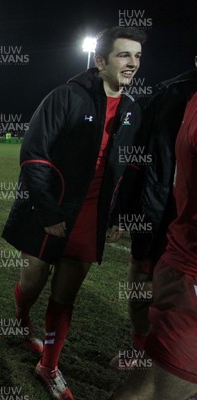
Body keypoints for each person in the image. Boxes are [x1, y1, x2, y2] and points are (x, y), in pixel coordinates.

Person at [1, 27, 146, 399]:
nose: (132, 63)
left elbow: (129, 171)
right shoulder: (66, 96)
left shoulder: (133, 110)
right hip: (49, 208)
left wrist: (116, 217)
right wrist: (48, 211)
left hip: (91, 216)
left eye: (137, 56)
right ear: (100, 61)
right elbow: (33, 154)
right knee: (33, 281)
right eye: (123, 55)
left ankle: (48, 366)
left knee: (65, 296)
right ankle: (20, 319)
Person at [111, 73, 197, 400]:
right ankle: (139, 347)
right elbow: (138, 158)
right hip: (159, 212)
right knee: (142, 283)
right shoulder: (170, 96)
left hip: (182, 231)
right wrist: (122, 211)